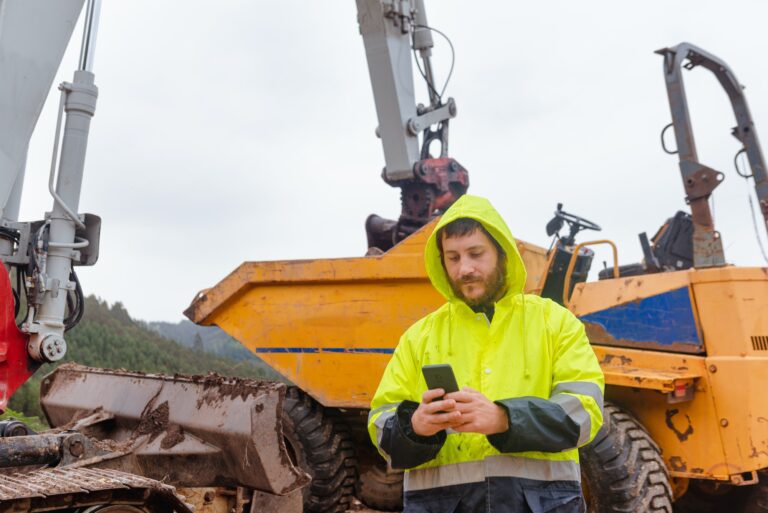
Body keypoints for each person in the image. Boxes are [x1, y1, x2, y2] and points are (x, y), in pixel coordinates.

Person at [367, 194, 604, 513]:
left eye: (476, 254)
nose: (464, 268)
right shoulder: (418, 337)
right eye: (452, 258)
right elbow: (381, 424)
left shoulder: (555, 323)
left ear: (502, 254)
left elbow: (585, 414)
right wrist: (415, 427)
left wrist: (505, 418)